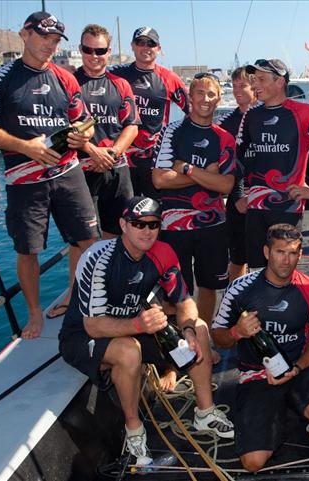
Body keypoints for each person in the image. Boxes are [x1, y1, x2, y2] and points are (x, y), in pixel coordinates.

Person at [58, 196, 233, 466]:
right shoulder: (98, 258)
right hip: (84, 336)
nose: (146, 230)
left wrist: (186, 329)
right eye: (138, 224)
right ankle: (134, 430)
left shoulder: (162, 253)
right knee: (129, 351)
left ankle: (205, 413)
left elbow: (185, 301)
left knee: (198, 329)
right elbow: (92, 325)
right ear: (123, 225)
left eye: (153, 224)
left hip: (136, 328)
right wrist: (139, 325)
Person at [0, 11, 99, 338]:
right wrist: (25, 147)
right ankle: (34, 314)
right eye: (44, 37)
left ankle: (79, 300)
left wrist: (82, 137)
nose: (50, 45)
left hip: (69, 172)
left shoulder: (65, 77)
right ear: (25, 34)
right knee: (28, 250)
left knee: (87, 240)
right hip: (25, 179)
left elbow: (84, 120)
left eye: (55, 40)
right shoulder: (0, 77)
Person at [212, 224, 309, 472]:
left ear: (300, 255)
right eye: (280, 252)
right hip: (256, 375)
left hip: (296, 368)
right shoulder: (240, 289)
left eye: (292, 253)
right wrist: (238, 331)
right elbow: (218, 338)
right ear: (267, 252)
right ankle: (278, 411)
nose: (286, 260)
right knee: (253, 463)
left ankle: (297, 406)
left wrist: (297, 368)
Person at [235, 58, 309, 269]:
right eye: (254, 80)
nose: (255, 85)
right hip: (255, 209)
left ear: (280, 82)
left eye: (261, 80)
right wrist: (240, 194)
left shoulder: (303, 112)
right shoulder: (251, 115)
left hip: (287, 208)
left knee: (284, 272)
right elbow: (238, 157)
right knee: (256, 273)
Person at [152, 72, 236, 322]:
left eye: (211, 94)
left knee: (209, 287)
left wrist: (187, 169)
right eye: (200, 92)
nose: (205, 99)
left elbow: (226, 185)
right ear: (190, 96)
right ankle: (182, 347)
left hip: (212, 225)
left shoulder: (224, 138)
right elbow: (159, 180)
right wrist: (204, 175)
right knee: (176, 291)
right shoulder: (172, 132)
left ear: (219, 99)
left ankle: (204, 339)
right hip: (174, 226)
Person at [75, 24, 140, 241]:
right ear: (80, 49)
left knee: (119, 233)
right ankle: (80, 277)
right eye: (88, 50)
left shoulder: (120, 84)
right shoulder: (68, 83)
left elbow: (131, 125)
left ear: (109, 52)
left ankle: (110, 276)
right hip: (81, 170)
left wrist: (111, 154)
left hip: (116, 169)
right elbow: (63, 128)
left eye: (100, 51)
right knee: (83, 240)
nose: (94, 56)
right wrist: (93, 152)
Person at [110, 27, 189, 199]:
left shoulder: (169, 78)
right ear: (132, 45)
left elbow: (193, 110)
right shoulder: (116, 74)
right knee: (125, 211)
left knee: (155, 212)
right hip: (122, 157)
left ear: (158, 48)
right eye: (140, 42)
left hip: (155, 159)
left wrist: (180, 142)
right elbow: (90, 78)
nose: (145, 47)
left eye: (151, 43)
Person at [216, 67, 257, 281]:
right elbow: (227, 163)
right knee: (238, 257)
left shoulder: (265, 117)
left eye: (243, 85)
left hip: (263, 197)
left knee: (266, 256)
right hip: (237, 198)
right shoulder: (225, 124)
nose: (237, 90)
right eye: (234, 86)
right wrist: (239, 196)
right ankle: (233, 303)